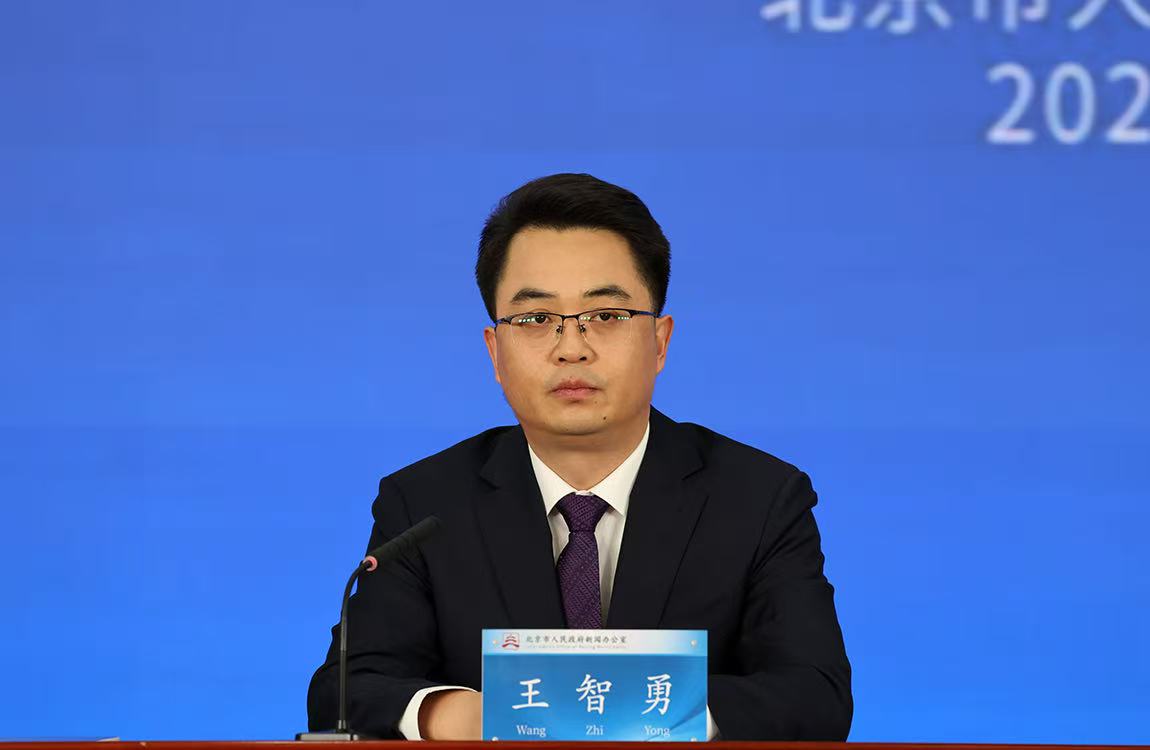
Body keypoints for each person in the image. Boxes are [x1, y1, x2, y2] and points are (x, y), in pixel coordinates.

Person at [306, 173, 852, 740]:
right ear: (495, 352)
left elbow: (816, 695)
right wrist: (464, 716)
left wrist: (622, 711)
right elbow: (343, 692)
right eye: (536, 319)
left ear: (660, 341)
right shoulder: (425, 504)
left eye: (607, 316)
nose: (571, 347)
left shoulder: (758, 498)